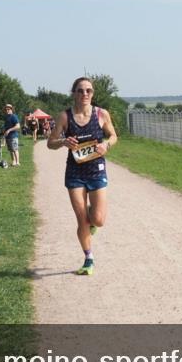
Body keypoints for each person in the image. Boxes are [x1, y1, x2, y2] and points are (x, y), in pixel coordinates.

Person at [47, 77, 118, 276]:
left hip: (96, 170)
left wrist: (106, 145)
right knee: (82, 220)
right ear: (74, 93)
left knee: (98, 219)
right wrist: (63, 142)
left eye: (88, 91)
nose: (85, 94)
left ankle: (92, 217)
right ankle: (88, 258)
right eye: (80, 90)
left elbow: (113, 135)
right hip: (75, 173)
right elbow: (50, 143)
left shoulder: (101, 114)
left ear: (92, 94)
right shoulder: (64, 117)